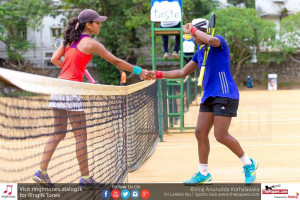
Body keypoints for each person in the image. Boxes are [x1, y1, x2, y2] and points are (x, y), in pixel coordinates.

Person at [33, 9, 148, 188]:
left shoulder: (69, 40)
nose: (100, 25)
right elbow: (117, 62)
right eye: (97, 22)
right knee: (81, 137)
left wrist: (72, 70)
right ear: (88, 24)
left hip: (58, 88)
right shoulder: (91, 43)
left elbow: (56, 59)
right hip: (71, 90)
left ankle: (41, 172)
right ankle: (85, 179)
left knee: (59, 133)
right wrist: (140, 71)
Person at [148, 18, 258, 185]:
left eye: (194, 35)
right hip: (209, 96)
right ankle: (203, 173)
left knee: (221, 135)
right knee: (200, 133)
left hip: (225, 93)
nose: (193, 38)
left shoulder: (219, 42)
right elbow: (181, 72)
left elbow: (210, 40)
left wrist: (193, 30)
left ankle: (248, 164)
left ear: (202, 31)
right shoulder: (200, 53)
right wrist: (156, 74)